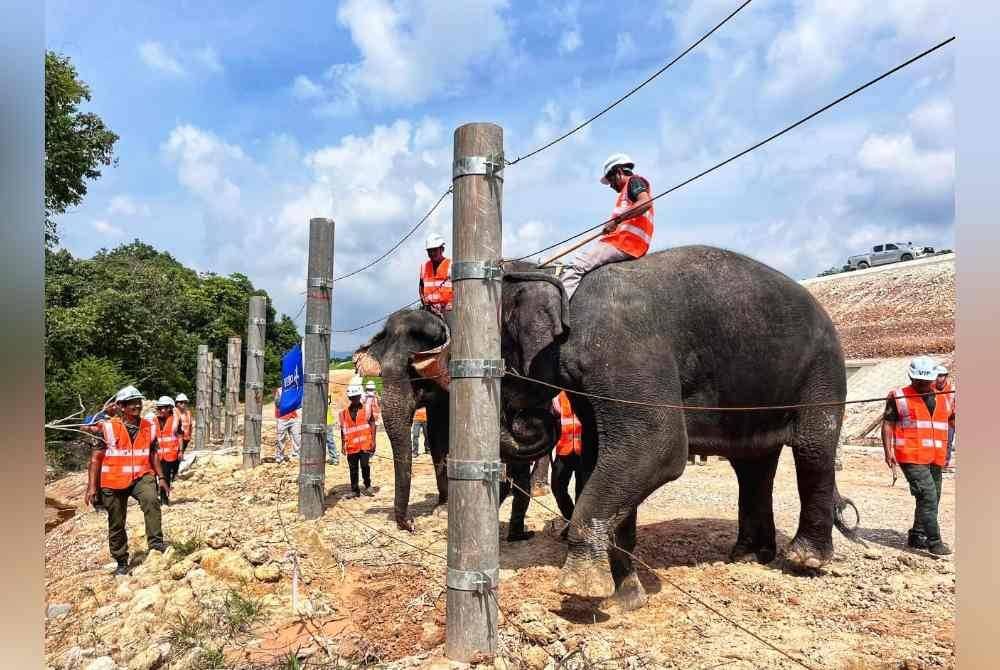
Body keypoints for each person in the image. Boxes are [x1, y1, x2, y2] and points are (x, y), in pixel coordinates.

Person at [85, 386, 170, 575]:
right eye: (131, 403)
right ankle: (121, 561)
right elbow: (95, 458)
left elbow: (153, 452)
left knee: (151, 500)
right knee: (116, 521)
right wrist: (92, 487)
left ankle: (156, 544)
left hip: (141, 475)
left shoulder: (149, 426)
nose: (137, 405)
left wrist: (162, 477)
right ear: (121, 406)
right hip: (113, 481)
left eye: (138, 402)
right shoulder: (107, 427)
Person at [881, 356, 954, 555]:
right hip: (910, 455)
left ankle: (917, 534)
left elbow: (953, 420)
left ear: (934, 378)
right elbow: (888, 423)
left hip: (936, 457)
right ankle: (935, 542)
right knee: (928, 496)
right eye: (918, 381)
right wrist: (888, 451)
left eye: (926, 381)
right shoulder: (898, 396)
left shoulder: (945, 397)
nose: (922, 385)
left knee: (934, 496)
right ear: (911, 377)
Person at [560, 153, 654, 300]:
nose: (610, 185)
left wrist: (616, 221)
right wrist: (612, 226)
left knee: (576, 266)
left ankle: (556, 312)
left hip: (625, 243)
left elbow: (645, 202)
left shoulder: (634, 181)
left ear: (619, 172)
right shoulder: (625, 193)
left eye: (610, 180)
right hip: (627, 243)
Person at [550, 392, 589, 531]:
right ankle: (572, 520)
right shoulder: (557, 397)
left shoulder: (585, 393)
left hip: (583, 451)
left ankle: (578, 527)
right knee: (557, 487)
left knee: (582, 491)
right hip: (563, 449)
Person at [340, 382, 377, 498]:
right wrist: (342, 445)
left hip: (365, 444)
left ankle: (367, 485)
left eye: (356, 397)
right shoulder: (344, 413)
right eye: (352, 397)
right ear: (350, 398)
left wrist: (373, 441)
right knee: (353, 469)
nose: (354, 399)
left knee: (365, 465)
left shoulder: (366, 409)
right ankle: (355, 490)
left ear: (359, 396)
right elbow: (343, 429)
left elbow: (372, 423)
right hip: (351, 446)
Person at [152, 396, 184, 498]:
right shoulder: (154, 420)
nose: (160, 410)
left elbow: (180, 436)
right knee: (153, 476)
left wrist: (181, 451)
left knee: (165, 477)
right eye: (159, 408)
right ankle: (154, 497)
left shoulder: (175, 420)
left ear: (169, 408)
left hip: (170, 455)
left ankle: (164, 499)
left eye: (163, 408)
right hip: (156, 454)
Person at [419, 233, 453, 318]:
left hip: (449, 311)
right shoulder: (424, 267)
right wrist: (426, 305)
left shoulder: (451, 265)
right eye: (429, 251)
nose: (432, 253)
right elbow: (421, 287)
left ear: (442, 249)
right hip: (430, 312)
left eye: (435, 250)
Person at [934, 364, 957, 471]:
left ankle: (944, 463)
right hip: (936, 420)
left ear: (946, 376)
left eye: (942, 376)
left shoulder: (952, 389)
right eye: (938, 375)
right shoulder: (930, 389)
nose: (939, 378)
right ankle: (936, 462)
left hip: (949, 419)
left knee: (948, 441)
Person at [274, 385, 301, 463]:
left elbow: (298, 402)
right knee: (280, 439)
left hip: (293, 418)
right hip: (282, 418)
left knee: (297, 438)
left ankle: (297, 455)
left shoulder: (295, 390)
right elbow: (277, 404)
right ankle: (280, 457)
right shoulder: (279, 390)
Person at [325, 394, 340, 466]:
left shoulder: (325, 394)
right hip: (321, 421)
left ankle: (334, 458)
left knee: (329, 440)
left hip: (328, 421)